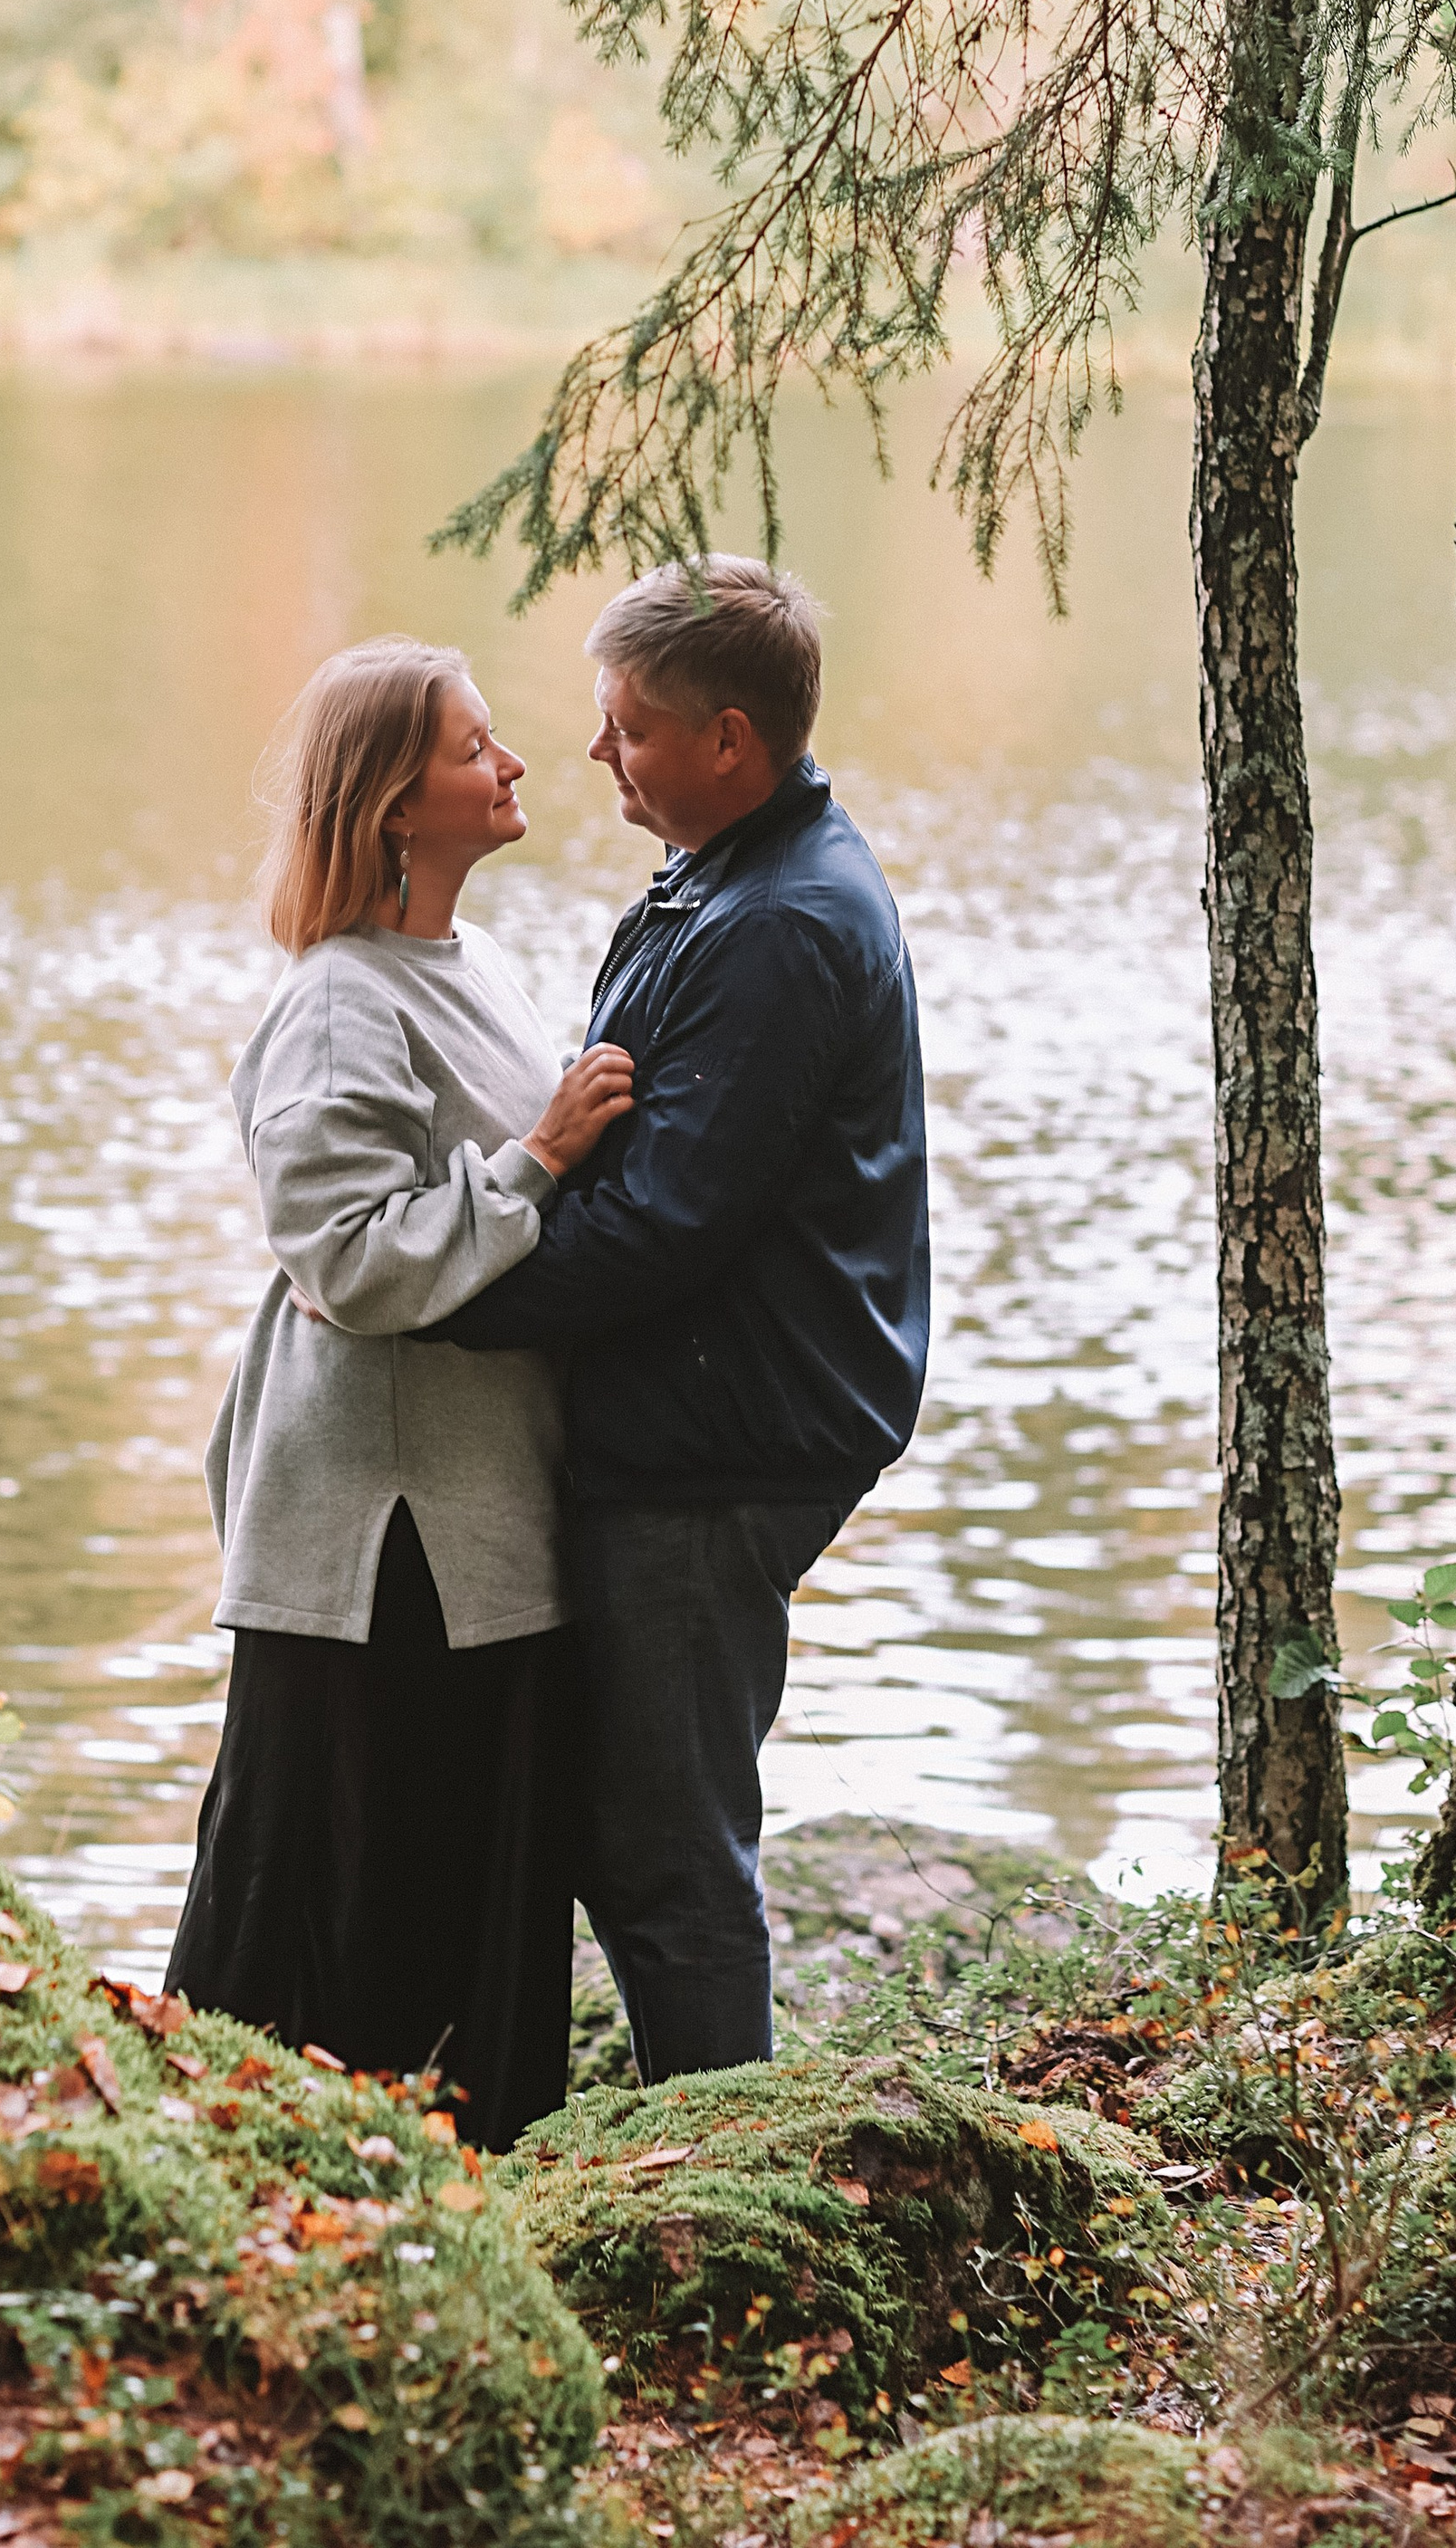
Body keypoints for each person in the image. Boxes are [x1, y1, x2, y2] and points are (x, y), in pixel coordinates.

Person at [439, 557, 928, 2084]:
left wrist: (433, 1296)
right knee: (627, 1818)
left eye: (629, 728)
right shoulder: (727, 872)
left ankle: (721, 2165)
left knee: (663, 1841)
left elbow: (664, 1221)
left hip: (729, 1435)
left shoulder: (784, 920)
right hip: (707, 1416)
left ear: (730, 739)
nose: (597, 755)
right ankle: (695, 2134)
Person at [167, 636, 634, 2147]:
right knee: (350, 1901)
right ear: (389, 802)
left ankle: (463, 2200)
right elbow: (348, 1263)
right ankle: (282, 2199)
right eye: (473, 745)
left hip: (480, 1524)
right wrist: (542, 1159)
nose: (511, 765)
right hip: (381, 1549)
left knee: (470, 1887)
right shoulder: (336, 1006)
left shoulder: (473, 968)